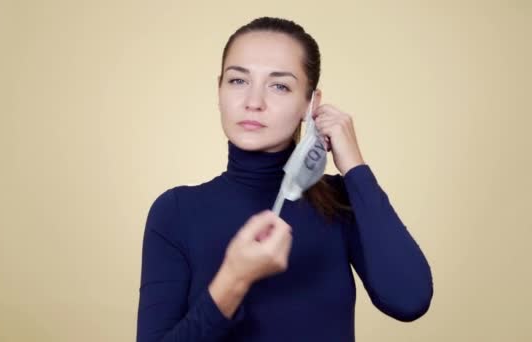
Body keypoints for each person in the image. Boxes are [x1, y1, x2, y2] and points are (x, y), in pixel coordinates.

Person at [136, 16, 433, 342]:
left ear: (311, 104)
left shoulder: (339, 201)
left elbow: (409, 299)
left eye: (279, 85)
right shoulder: (176, 211)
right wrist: (233, 280)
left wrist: (355, 167)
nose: (253, 102)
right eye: (238, 81)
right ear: (218, 89)